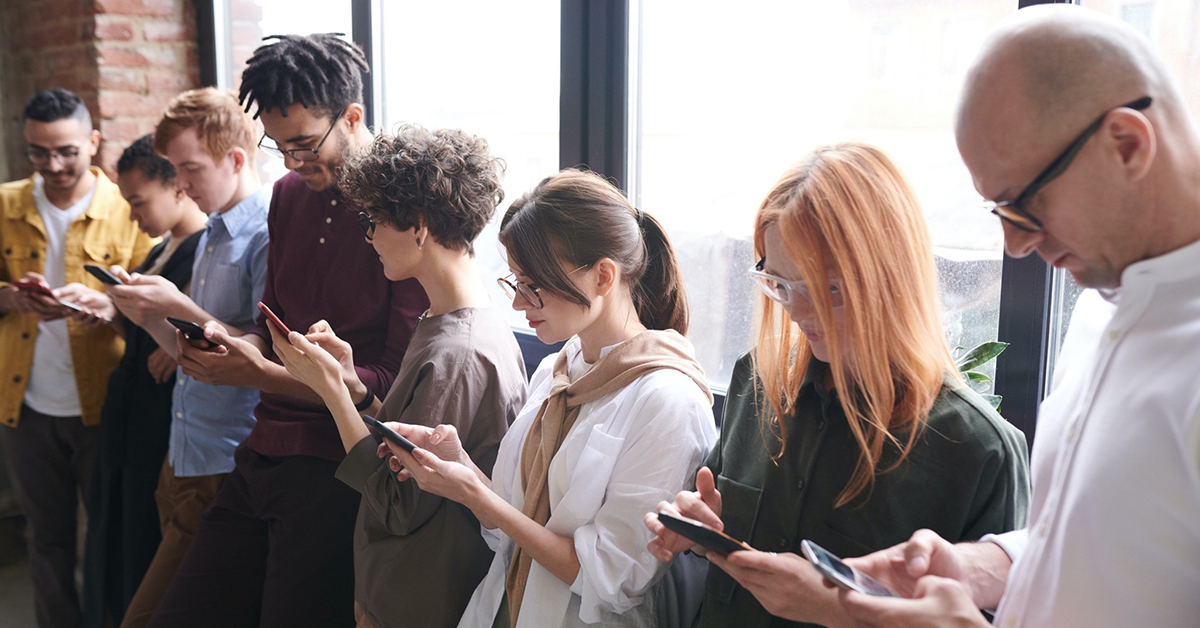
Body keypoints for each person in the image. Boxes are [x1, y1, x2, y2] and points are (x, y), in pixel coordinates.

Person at [834, 6, 1200, 628]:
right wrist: (979, 567)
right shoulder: (1094, 312)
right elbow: (1119, 545)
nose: (1015, 246)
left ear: (1127, 144)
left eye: (1023, 204)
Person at [643, 143, 1031, 628]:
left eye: (830, 290)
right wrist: (700, 532)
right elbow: (724, 534)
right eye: (781, 285)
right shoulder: (758, 382)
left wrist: (834, 610)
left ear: (891, 276)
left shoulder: (979, 452)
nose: (800, 312)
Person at [146, 34, 428, 628]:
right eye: (281, 147)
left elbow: (391, 386)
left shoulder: (406, 213)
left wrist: (264, 373)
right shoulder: (288, 195)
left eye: (305, 143)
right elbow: (271, 321)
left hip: (338, 463)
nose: (295, 162)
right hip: (262, 447)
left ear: (353, 117)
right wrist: (234, 345)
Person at [383, 168, 717, 628]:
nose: (519, 304)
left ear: (603, 276)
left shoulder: (669, 402)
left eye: (534, 285)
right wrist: (458, 465)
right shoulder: (558, 370)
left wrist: (480, 497)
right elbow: (510, 526)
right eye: (516, 282)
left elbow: (613, 580)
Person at [268, 126, 528, 628]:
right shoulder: (446, 322)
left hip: (417, 600)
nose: (368, 237)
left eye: (374, 220)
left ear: (419, 226)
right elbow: (405, 439)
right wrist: (355, 387)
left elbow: (400, 501)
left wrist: (330, 393)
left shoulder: (459, 352)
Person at [98, 87, 271, 628]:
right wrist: (143, 309)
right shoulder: (215, 231)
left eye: (189, 168)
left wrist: (174, 303)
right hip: (184, 452)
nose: (181, 184)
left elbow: (263, 351)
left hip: (224, 458)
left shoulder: (265, 234)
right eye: (175, 170)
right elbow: (188, 349)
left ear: (236, 159)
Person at [0, 88, 156, 628]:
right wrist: (10, 297)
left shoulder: (127, 208)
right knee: (46, 540)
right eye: (38, 153)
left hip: (103, 399)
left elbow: (153, 306)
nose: (54, 165)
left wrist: (109, 306)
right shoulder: (5, 205)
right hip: (25, 405)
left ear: (93, 140)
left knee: (110, 537)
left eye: (66, 150)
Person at [81, 135, 208, 628]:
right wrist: (110, 313)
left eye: (137, 202)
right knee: (116, 523)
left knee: (142, 533)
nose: (133, 217)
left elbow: (221, 327)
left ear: (177, 187)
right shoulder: (159, 250)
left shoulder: (204, 251)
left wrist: (176, 346)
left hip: (160, 414)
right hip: (130, 407)